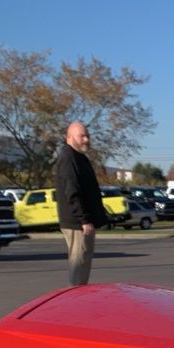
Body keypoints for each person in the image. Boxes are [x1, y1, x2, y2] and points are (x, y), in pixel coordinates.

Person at [54, 121, 109, 286]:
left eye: (87, 136)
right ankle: (74, 303)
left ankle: (78, 298)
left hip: (83, 222)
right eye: (82, 136)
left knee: (83, 262)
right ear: (69, 137)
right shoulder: (68, 158)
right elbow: (72, 192)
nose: (86, 139)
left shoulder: (79, 157)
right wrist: (84, 220)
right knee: (78, 264)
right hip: (77, 223)